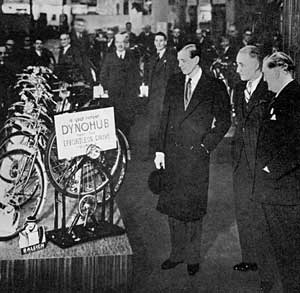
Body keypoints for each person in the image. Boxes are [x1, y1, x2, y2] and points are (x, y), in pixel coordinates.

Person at [153, 43, 231, 276]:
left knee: (194, 209)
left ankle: (193, 258)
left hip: (196, 156)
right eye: (178, 61)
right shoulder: (175, 81)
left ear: (196, 60)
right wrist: (160, 150)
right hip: (173, 155)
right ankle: (176, 254)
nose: (179, 65)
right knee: (172, 207)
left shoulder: (214, 86)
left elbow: (224, 120)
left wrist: (207, 145)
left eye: (183, 61)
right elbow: (164, 117)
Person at [253, 52, 300, 292]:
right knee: (281, 252)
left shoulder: (293, 97)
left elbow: (296, 145)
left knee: (290, 255)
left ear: (280, 69)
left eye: (266, 71)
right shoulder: (281, 96)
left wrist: (270, 169)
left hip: (285, 192)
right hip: (276, 190)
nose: (263, 78)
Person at [232, 46, 273, 274]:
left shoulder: (269, 90)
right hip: (240, 161)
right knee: (243, 209)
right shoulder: (238, 89)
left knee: (262, 213)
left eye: (242, 65)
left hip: (260, 162)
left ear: (257, 66)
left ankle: (266, 261)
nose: (237, 70)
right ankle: (249, 257)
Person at [99, 33, 141, 137]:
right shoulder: (109, 57)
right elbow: (103, 75)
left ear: (126, 43)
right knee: (115, 121)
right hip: (114, 96)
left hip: (128, 97)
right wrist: (108, 87)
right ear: (115, 43)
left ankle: (127, 145)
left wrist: (134, 91)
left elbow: (136, 75)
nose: (120, 44)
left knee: (127, 123)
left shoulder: (131, 56)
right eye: (117, 42)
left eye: (122, 42)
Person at [144, 32, 179, 156]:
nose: (158, 43)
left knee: (164, 123)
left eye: (161, 41)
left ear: (165, 42)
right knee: (153, 124)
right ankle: (152, 150)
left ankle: (163, 150)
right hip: (154, 97)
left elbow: (176, 77)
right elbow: (148, 77)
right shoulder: (152, 58)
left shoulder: (171, 59)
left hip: (165, 96)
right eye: (156, 41)